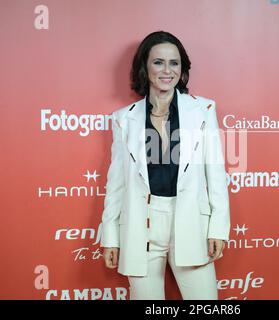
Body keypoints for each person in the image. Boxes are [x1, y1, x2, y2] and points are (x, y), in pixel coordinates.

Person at [100, 31, 230, 300]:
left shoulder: (203, 110)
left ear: (182, 69)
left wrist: (218, 227)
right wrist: (110, 235)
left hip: (191, 220)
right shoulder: (124, 119)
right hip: (140, 225)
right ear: (144, 67)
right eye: (158, 62)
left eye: (175, 63)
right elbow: (117, 183)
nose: (167, 70)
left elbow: (215, 173)